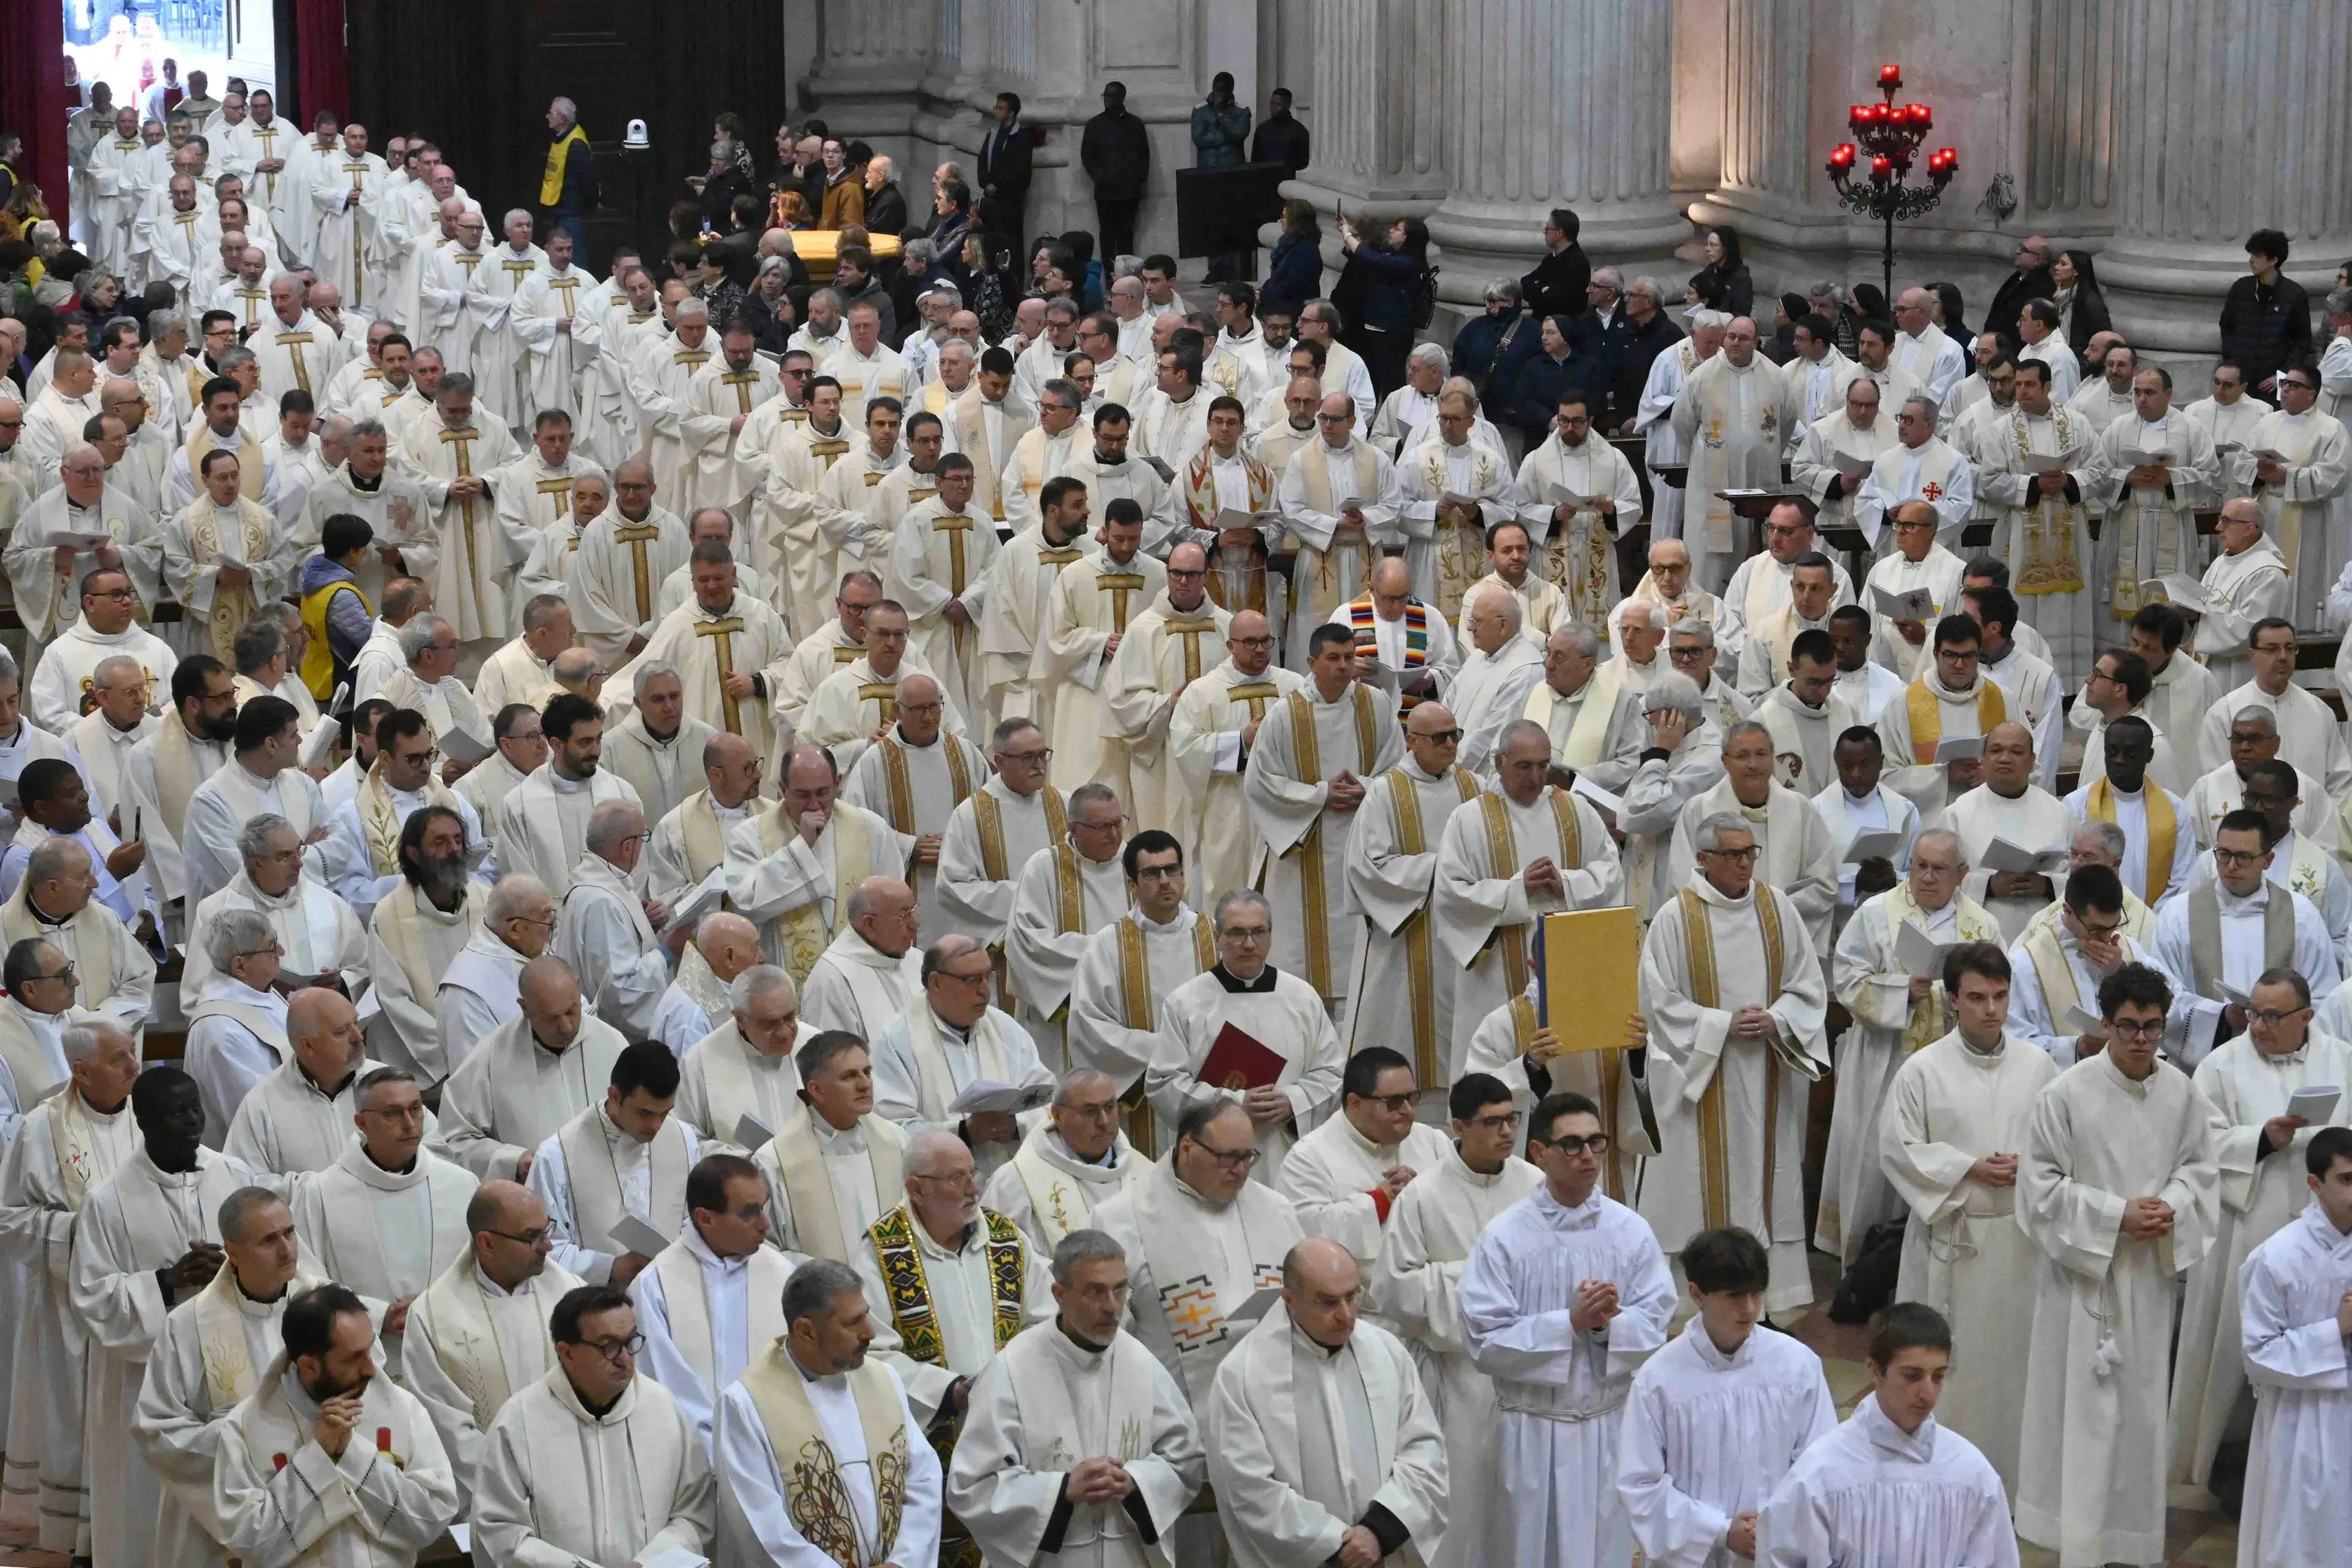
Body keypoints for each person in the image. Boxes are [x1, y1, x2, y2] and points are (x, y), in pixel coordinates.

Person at [2014, 960, 2219, 1568]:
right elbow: (2038, 1190)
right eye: (2128, 1026)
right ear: (2105, 1024)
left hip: (2148, 1281)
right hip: (2083, 1279)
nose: (2140, 1040)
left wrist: (2172, 1206)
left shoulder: (2183, 1093)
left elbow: (2200, 1171)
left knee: (2139, 1416)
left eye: (2153, 1027)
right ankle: (2072, 1536)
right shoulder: (2065, 1093)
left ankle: (2131, 1540)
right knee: (2077, 1411)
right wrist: (2114, 1216)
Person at [1458, 1091, 1675, 1568]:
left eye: (1596, 1143)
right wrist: (1569, 1323)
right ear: (1539, 1152)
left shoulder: (1630, 1230)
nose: (1588, 1156)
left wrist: (1608, 1327)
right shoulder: (1505, 1236)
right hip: (1530, 1433)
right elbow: (1484, 1341)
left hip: (1607, 1429)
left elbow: (1658, 1319)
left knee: (1605, 1552)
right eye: (1572, 1145)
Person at [1877, 942, 2057, 1496]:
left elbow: (2060, 1145)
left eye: (2001, 997)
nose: (1992, 1010)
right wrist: (1969, 1167)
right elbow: (1897, 1148)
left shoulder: (2039, 1065)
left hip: (2021, 1245)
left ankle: (2014, 1482)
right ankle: (1942, 1482)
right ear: (1953, 1001)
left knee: (2015, 1370)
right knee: (1954, 1370)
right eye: (1977, 998)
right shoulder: (1923, 1070)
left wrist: (2029, 1166)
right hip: (1954, 1238)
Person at [2167, 967, 2351, 1498]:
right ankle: (2223, 1469)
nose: (2260, 1025)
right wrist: (2263, 1140)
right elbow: (2198, 1145)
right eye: (2253, 1013)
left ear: (2307, 1017)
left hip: (2334, 1233)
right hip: (2248, 1228)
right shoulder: (2220, 1066)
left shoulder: (2341, 1057)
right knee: (2238, 1349)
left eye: (2274, 1016)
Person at [1638, 812, 1830, 1312]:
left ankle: (1775, 1297)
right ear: (1703, 860)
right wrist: (1722, 1026)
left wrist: (1779, 1019)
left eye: (1750, 852)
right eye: (1733, 855)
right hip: (1701, 1078)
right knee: (1699, 1185)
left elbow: (1808, 985)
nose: (1745, 863)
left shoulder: (1776, 909)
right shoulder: (1675, 917)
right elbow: (1656, 1002)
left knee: (1767, 1180)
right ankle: (1693, 1297)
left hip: (1766, 1069)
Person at [68, 1064, 257, 1568]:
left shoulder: (235, 1177)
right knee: (145, 1508)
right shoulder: (107, 1202)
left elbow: (281, 1257)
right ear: (144, 1119)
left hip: (231, 1365)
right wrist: (166, 1282)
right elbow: (92, 1295)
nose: (194, 1121)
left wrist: (238, 1267)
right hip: (145, 1380)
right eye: (177, 1113)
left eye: (195, 1106)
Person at [946, 1227, 1207, 1568]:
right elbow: (971, 1487)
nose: (1112, 1307)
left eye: (1119, 1290)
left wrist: (1136, 1480)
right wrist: (1063, 1490)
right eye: (1096, 1292)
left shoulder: (1140, 1361)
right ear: (1059, 1293)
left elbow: (1185, 1460)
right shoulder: (1011, 1369)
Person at [1204, 1237, 1448, 1568]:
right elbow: (1247, 1488)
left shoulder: (1387, 1352)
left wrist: (1378, 1532)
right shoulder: (1242, 1375)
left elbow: (1424, 1449)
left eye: (1352, 1296)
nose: (1346, 1315)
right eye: (1327, 1302)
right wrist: (1333, 1544)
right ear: (1289, 1300)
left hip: (1383, 1554)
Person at [0, 1015, 141, 1554]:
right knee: (79, 1421)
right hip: (70, 1310)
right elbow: (11, 1221)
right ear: (81, 1072)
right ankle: (75, 1533)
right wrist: (84, 1232)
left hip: (143, 1297)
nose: (134, 1066)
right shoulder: (42, 1128)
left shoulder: (149, 1116)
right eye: (118, 1060)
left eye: (132, 1053)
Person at [1616, 1226, 1837, 1568]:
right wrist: (1719, 1532)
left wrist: (1773, 1524)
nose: (1749, 1309)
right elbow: (1640, 1484)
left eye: (1756, 1294)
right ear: (1697, 1294)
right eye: (1734, 1296)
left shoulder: (1797, 1365)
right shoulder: (1659, 1379)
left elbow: (1819, 1463)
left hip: (1774, 1550)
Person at [710, 1255, 943, 1567]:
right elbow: (759, 1526)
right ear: (806, 1331)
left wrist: (903, 1561)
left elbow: (923, 1477)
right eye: (852, 1323)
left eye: (866, 1316)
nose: (870, 1333)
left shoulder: (884, 1379)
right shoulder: (746, 1404)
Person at [130, 1185, 320, 1568]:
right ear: (232, 1251)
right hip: (225, 1520)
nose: (287, 1250)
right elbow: (155, 1430)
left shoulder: (326, 1308)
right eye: (269, 1240)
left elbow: (367, 1384)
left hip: (316, 1502)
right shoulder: (187, 1326)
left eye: (289, 1232)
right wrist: (239, 1434)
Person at [209, 1282, 460, 1566]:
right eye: (355, 1358)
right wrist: (320, 1456)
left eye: (370, 1349)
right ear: (310, 1367)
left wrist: (352, 1454)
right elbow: (250, 1542)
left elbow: (432, 1517)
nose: (370, 1368)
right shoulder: (243, 1428)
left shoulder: (403, 1408)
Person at [1756, 1303, 2018, 1568]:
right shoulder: (1820, 1474)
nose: (1927, 1393)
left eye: (1937, 1377)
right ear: (1875, 1370)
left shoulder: (1972, 1473)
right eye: (1912, 1376)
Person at [473, 1279, 716, 1560]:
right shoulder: (519, 1422)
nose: (625, 1359)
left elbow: (696, 1512)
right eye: (609, 1346)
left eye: (630, 1342)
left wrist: (648, 1564)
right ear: (567, 1353)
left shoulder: (664, 1410)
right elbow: (498, 1528)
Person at [289, 1065, 476, 1376]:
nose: (409, 1124)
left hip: (456, 1353)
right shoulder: (320, 1193)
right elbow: (304, 1279)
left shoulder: (461, 1184)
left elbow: (480, 1269)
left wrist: (437, 1306)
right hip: (369, 1363)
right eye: (392, 1114)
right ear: (361, 1123)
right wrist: (378, 1315)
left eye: (415, 1110)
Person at [2233, 1123, 2352, 1566]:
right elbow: (2258, 1354)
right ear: (2314, 1184)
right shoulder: (2276, 1256)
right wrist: (2336, 1329)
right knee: (2302, 1538)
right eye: (2346, 1179)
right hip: (2301, 1421)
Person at [629, 1151, 796, 1450]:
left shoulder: (782, 1273)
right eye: (749, 1213)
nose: (765, 1225)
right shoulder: (655, 1285)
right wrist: (722, 1453)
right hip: (692, 1458)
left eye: (763, 1207)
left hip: (777, 1452)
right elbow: (662, 1386)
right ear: (705, 1218)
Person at [435, 956, 630, 1182]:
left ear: (578, 989)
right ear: (525, 1008)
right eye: (551, 1018)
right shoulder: (491, 1058)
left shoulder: (612, 1043)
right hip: (534, 1198)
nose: (566, 1027)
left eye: (571, 1011)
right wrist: (515, 1161)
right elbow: (453, 1141)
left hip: (608, 1185)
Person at [749, 1029, 906, 1264]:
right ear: (817, 1090)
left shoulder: (896, 1141)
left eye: (867, 1072)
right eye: (848, 1077)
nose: (864, 1085)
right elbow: (764, 1248)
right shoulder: (775, 1162)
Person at [2219, 227, 2313, 398]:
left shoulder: (2294, 294)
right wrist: (2233, 367)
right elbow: (2227, 328)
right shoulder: (2240, 288)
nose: (2251, 260)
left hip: (2272, 386)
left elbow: (2302, 341)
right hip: (2240, 382)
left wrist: (2281, 375)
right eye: (2251, 255)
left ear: (2273, 260)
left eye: (2258, 256)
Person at [1080, 82, 1150, 264]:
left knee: (1126, 236)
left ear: (1121, 98)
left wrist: (1138, 179)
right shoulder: (1095, 125)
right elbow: (1087, 155)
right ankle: (1110, 278)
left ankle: (1126, 277)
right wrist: (1100, 177)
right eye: (1105, 96)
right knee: (1108, 237)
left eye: (1112, 96)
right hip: (1106, 191)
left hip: (1129, 190)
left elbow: (1144, 155)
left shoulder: (1135, 124)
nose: (1108, 100)